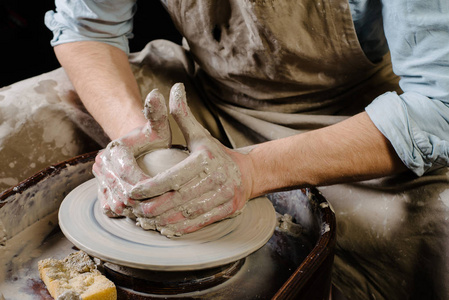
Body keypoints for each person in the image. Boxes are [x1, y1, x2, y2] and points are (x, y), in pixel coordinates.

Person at [0, 0, 448, 299]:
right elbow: (87, 26)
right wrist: (143, 143)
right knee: (13, 120)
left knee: (432, 235)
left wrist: (251, 172)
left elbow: (439, 102)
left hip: (347, 121)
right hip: (198, 100)